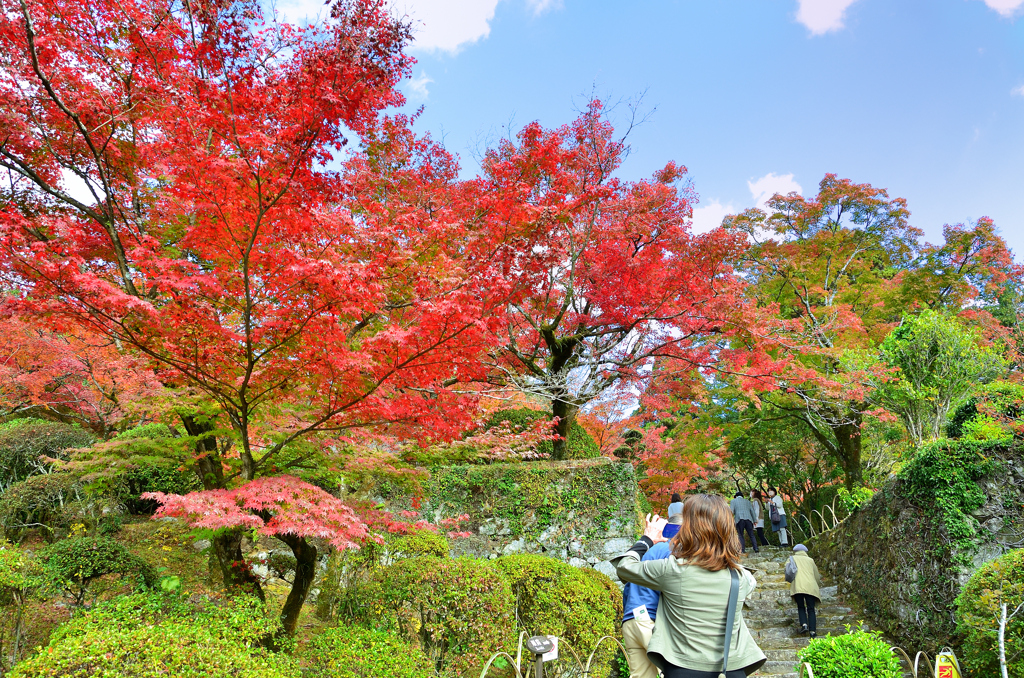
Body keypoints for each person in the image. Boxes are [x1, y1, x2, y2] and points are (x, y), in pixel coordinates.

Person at [612, 496, 767, 678]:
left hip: (683, 668)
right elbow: (740, 575)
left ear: (690, 530)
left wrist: (647, 538)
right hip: (730, 670)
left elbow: (624, 567)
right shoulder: (743, 578)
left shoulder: (672, 570)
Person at [620, 514, 683, 678]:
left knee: (640, 675)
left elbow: (627, 586)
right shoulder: (670, 551)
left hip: (630, 621)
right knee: (672, 671)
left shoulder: (644, 552)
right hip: (650, 620)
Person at [789, 544, 823, 638]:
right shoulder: (810, 560)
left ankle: (804, 624)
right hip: (810, 586)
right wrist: (817, 584)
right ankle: (812, 632)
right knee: (811, 609)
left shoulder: (792, 558)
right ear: (805, 551)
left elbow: (787, 570)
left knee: (801, 606)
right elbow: (816, 575)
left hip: (798, 585)